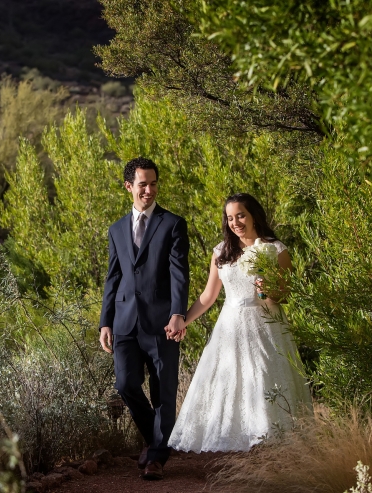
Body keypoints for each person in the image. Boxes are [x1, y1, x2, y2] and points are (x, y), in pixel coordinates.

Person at [165, 193, 311, 452]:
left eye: (240, 215)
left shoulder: (276, 249)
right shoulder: (221, 252)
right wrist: (182, 320)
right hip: (230, 327)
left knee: (264, 379)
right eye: (230, 218)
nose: (235, 222)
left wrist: (268, 289)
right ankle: (232, 450)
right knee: (230, 383)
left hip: (266, 325)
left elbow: (284, 295)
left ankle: (269, 447)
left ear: (254, 214)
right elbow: (208, 297)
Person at [99, 157, 189, 480]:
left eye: (153, 184)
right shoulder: (116, 229)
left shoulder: (173, 224)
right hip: (124, 322)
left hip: (163, 322)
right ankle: (157, 442)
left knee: (164, 392)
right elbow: (113, 277)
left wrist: (178, 313)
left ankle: (155, 460)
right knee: (125, 384)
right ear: (129, 187)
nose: (149, 190)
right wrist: (105, 321)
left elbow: (180, 273)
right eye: (142, 184)